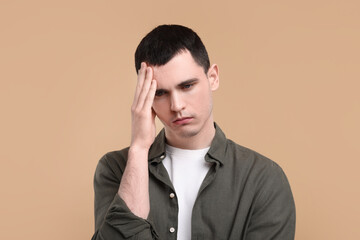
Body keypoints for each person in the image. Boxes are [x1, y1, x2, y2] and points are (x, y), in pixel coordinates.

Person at [91, 24, 295, 240]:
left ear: (213, 77)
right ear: (145, 96)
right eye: (160, 93)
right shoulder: (116, 168)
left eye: (187, 86)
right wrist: (139, 149)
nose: (176, 105)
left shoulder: (263, 178)